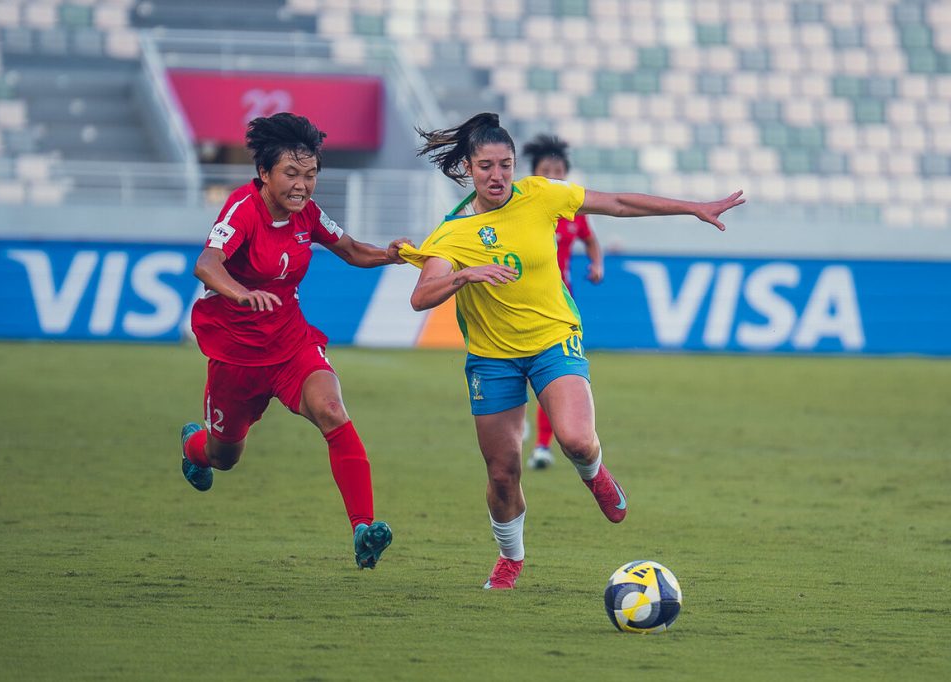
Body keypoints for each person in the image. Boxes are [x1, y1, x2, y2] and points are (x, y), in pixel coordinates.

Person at [400, 113, 743, 589]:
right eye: (485, 167)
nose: (497, 176)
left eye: (505, 165)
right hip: (492, 357)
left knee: (577, 440)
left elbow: (618, 203)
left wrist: (693, 207)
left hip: (553, 338)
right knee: (503, 474)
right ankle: (511, 557)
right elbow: (421, 297)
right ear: (467, 168)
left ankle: (596, 474)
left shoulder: (541, 194)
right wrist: (464, 275)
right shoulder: (451, 233)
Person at [179, 112, 409, 570]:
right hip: (235, 356)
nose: (302, 185)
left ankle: (363, 529)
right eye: (291, 174)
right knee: (224, 456)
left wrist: (389, 254)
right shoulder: (243, 209)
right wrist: (242, 294)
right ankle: (193, 446)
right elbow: (207, 264)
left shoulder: (307, 213)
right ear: (264, 173)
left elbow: (349, 249)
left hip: (290, 344)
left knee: (332, 410)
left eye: (310, 174)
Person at [520, 134, 604, 471]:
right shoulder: (523, 205)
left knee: (552, 372)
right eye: (546, 170)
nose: (553, 175)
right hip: (522, 301)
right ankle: (516, 418)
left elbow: (591, 240)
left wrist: (597, 264)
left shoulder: (573, 210)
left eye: (559, 170)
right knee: (519, 369)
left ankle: (542, 445)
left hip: (558, 306)